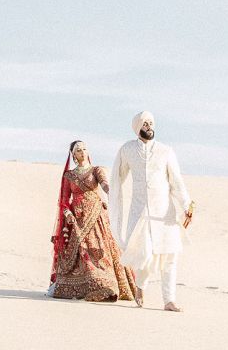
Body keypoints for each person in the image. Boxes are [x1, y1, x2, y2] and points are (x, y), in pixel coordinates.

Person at [112, 111, 194, 311]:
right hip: (140, 213)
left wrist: (186, 204)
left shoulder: (166, 151)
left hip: (164, 214)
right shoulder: (127, 150)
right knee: (144, 254)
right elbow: (117, 178)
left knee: (169, 256)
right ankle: (140, 286)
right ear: (137, 127)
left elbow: (176, 181)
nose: (149, 126)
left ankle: (169, 301)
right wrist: (110, 195)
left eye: (151, 122)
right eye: (145, 123)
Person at [47, 140, 138, 302]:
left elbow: (104, 184)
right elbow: (64, 199)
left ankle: (106, 284)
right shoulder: (69, 175)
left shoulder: (96, 170)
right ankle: (87, 285)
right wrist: (68, 213)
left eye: (84, 149)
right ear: (73, 155)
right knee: (82, 252)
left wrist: (112, 192)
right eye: (78, 150)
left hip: (97, 216)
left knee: (101, 250)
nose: (82, 152)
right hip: (78, 219)